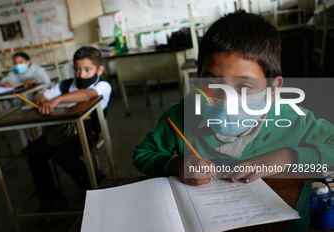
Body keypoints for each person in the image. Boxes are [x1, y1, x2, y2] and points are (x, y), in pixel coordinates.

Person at [133, 11, 334, 186]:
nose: (226, 99)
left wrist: (287, 157)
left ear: (273, 89)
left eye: (244, 87)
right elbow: (143, 154)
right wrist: (176, 165)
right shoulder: (180, 117)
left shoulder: (293, 119)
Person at [26, 46, 112, 215]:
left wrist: (57, 100)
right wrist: (42, 99)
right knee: (33, 151)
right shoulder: (65, 85)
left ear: (99, 69)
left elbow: (87, 95)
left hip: (87, 135)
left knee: (64, 156)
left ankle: (95, 187)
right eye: (77, 70)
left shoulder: (103, 85)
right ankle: (52, 198)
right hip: (59, 135)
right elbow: (39, 96)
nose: (81, 75)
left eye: (87, 70)